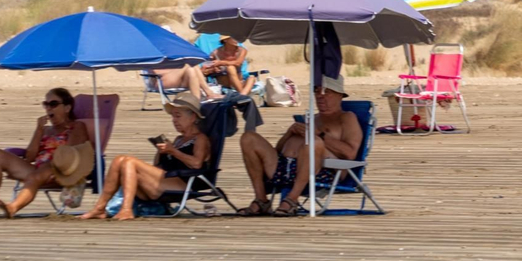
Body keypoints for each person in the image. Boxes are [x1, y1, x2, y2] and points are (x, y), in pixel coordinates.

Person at [238, 77, 363, 216]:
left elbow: (350, 153)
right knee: (248, 138)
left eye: (327, 92)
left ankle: (291, 199)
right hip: (282, 169)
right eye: (317, 92)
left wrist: (319, 135)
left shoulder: (346, 118)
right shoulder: (311, 118)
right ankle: (261, 200)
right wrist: (289, 133)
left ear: (340, 95)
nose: (321, 96)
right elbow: (277, 151)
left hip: (320, 172)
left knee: (314, 142)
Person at [79, 92, 211, 221]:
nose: (174, 120)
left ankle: (126, 209)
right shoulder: (178, 139)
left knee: (129, 162)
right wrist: (162, 152)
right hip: (165, 182)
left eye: (178, 116)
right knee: (119, 160)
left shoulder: (200, 139)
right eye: (173, 116)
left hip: (183, 185)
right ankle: (100, 208)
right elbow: (157, 166)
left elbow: (196, 164)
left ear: (193, 117)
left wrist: (174, 152)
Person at [0, 87, 93, 219]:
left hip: (63, 172)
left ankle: (13, 207)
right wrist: (39, 130)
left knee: (43, 169)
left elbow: (71, 154)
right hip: (38, 171)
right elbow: (30, 157)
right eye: (46, 104)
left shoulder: (77, 127)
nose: (48, 108)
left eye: (53, 104)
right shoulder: (46, 130)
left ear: (67, 108)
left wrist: (52, 163)